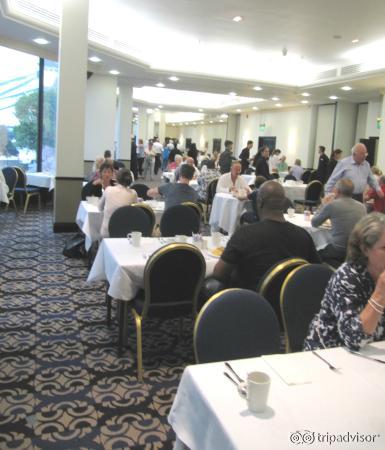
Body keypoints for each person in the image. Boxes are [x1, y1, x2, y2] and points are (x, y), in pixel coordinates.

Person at [213, 181, 320, 290]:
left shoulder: (244, 234)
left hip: (250, 301)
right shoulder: (303, 236)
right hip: (289, 301)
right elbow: (315, 272)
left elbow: (219, 274)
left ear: (259, 202)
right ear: (284, 203)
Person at [304, 213, 385, 351]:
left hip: (373, 353)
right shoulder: (347, 277)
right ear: (365, 249)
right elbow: (354, 339)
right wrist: (380, 294)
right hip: (330, 355)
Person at [311, 179, 366, 264]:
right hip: (356, 251)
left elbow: (314, 223)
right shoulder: (362, 207)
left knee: (314, 252)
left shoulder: (333, 205)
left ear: (337, 191)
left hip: (338, 250)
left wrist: (323, 204)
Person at [98, 169, 137, 238]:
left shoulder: (108, 189)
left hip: (107, 232)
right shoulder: (133, 193)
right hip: (124, 233)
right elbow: (133, 211)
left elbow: (100, 208)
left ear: (116, 179)